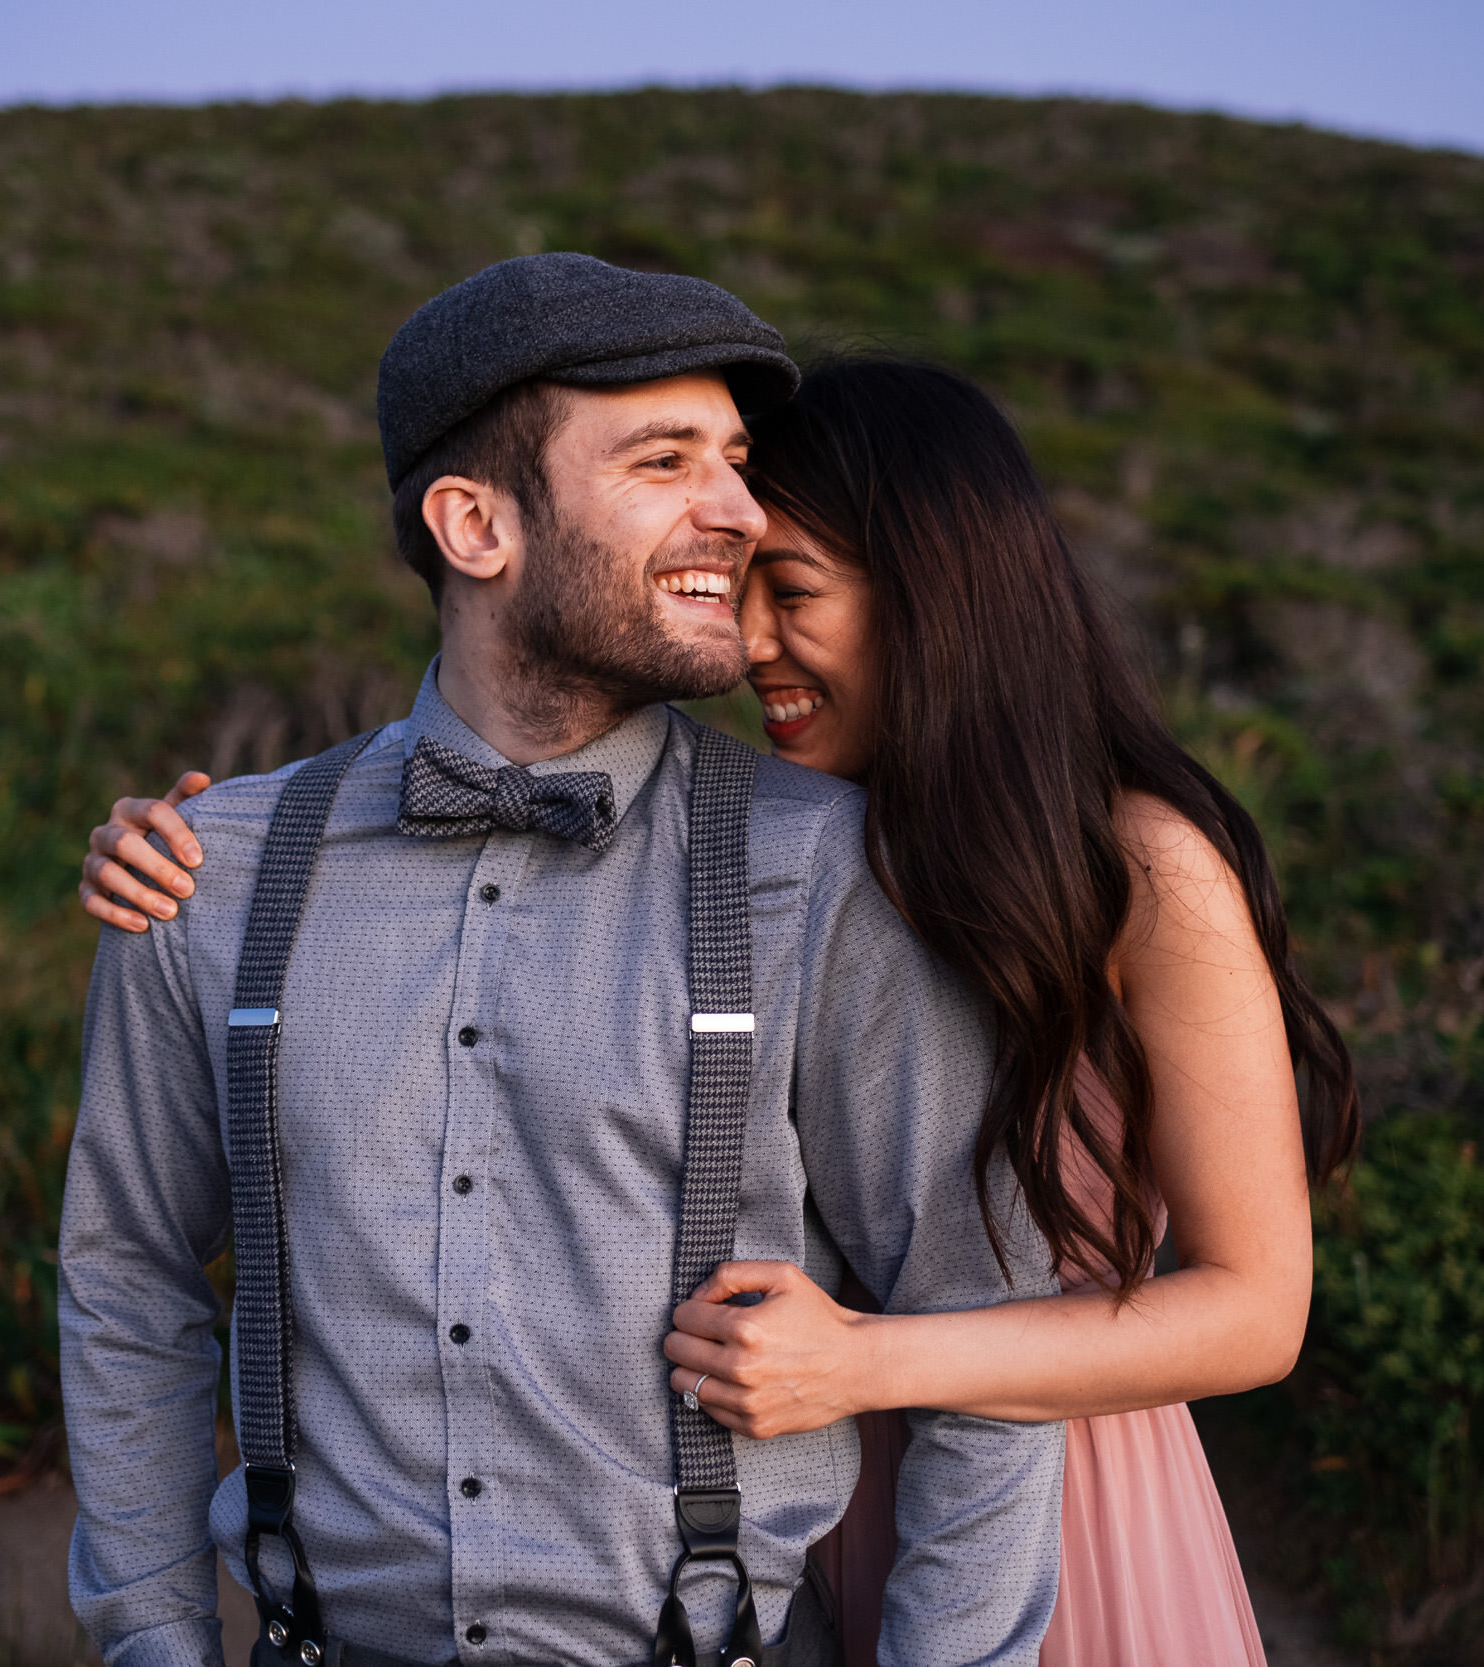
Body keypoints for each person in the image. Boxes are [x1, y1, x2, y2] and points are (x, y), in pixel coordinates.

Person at [83, 355, 1359, 1666]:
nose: (750, 647)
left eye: (793, 594)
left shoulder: (1142, 864)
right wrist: (223, 856)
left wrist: (871, 1365)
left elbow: (1257, 1314)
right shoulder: (836, 843)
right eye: (744, 596)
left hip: (1048, 1480)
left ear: (942, 595)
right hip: (813, 1500)